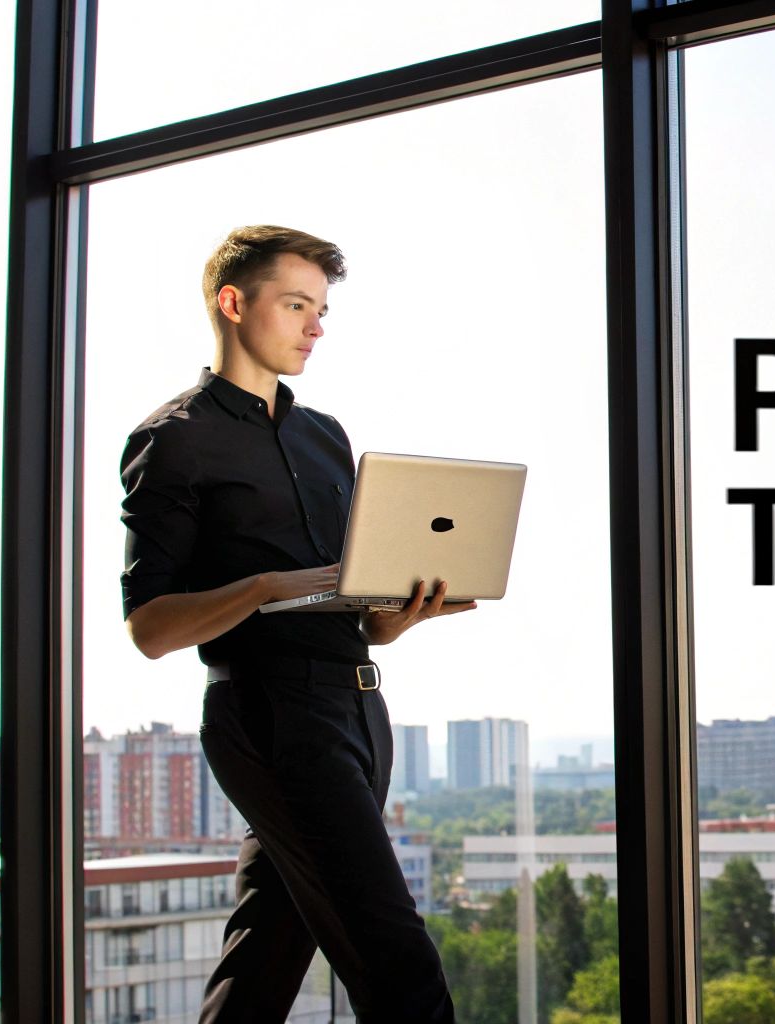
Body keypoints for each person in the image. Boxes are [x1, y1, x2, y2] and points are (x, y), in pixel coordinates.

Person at [119, 225, 470, 1022]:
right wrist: (264, 585)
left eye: (322, 309)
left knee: (266, 954)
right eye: (298, 304)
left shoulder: (325, 437)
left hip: (356, 707)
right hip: (269, 716)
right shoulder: (173, 441)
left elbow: (352, 616)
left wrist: (398, 615)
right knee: (396, 960)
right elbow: (149, 627)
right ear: (234, 303)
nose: (317, 325)